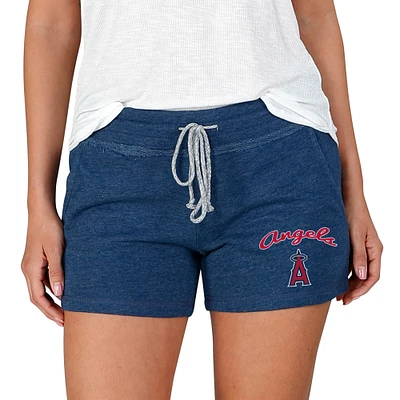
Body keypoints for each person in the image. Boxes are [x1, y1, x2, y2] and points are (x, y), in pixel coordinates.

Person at [21, 0, 383, 398]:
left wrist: (354, 191)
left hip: (278, 159)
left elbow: (316, 16)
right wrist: (38, 205)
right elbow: (51, 25)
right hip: (118, 169)